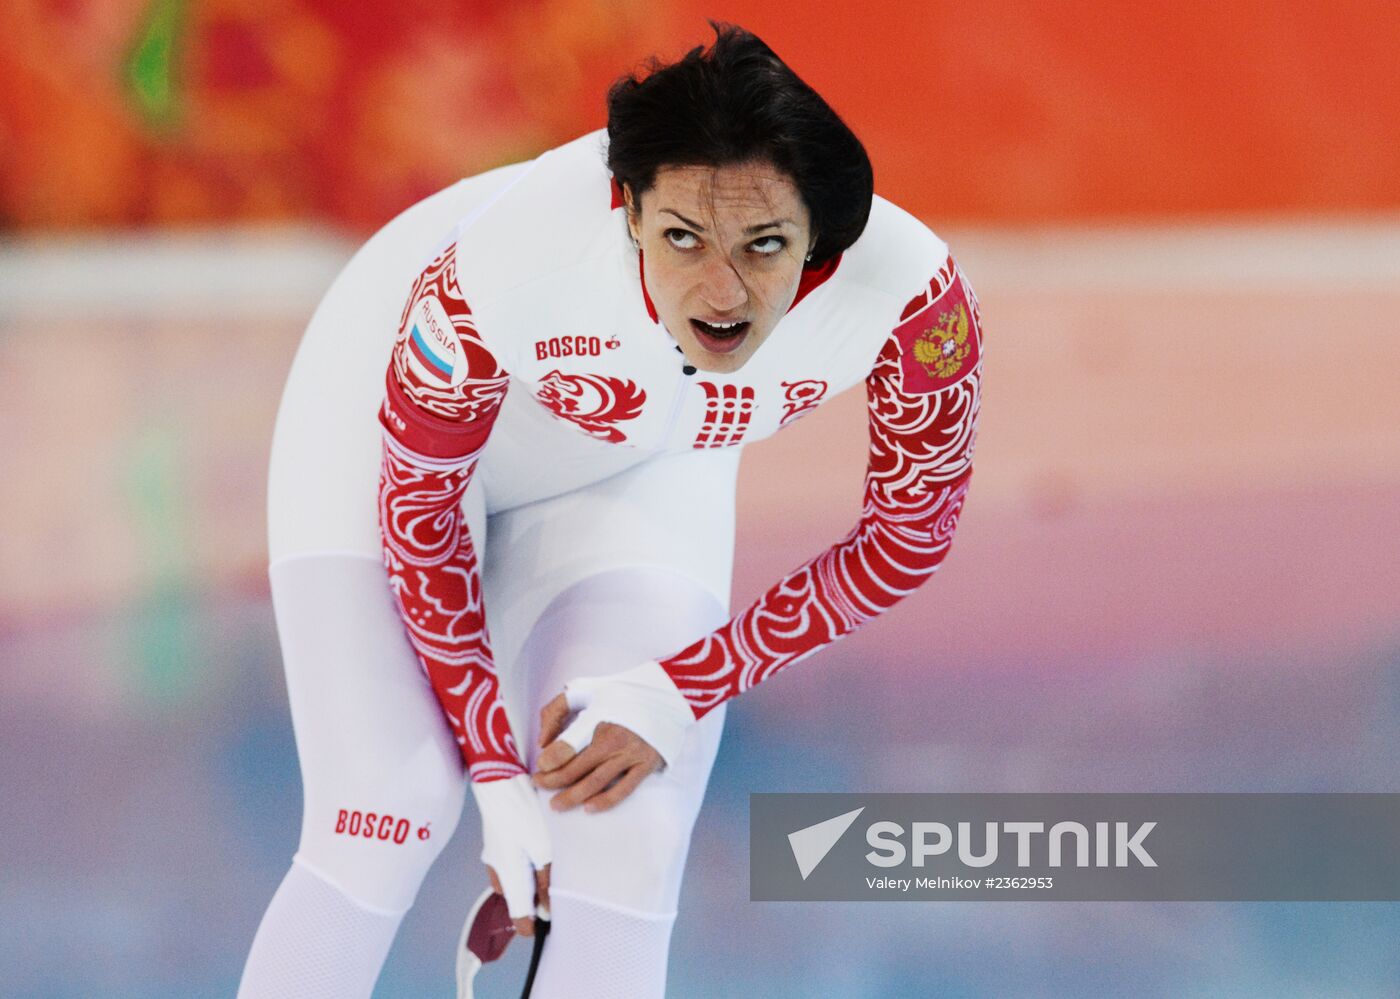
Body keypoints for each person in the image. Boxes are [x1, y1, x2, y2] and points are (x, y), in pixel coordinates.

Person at [239, 22, 981, 999]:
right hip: (389, 420)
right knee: (388, 805)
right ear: (626, 211)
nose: (721, 293)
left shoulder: (912, 300)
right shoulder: (510, 265)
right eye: (682, 238)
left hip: (640, 464)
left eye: (764, 246)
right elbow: (422, 510)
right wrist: (494, 772)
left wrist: (679, 688)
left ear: (822, 243)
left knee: (623, 823)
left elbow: (907, 536)